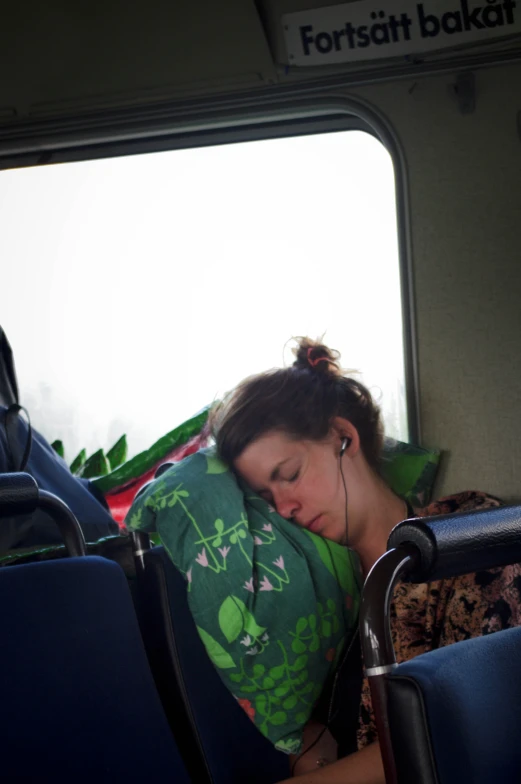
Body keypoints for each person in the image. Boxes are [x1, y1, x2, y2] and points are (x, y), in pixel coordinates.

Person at [210, 337, 521, 783]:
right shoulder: (313, 584)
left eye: (290, 475)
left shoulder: (464, 539)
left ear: (343, 438)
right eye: (266, 496)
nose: (283, 508)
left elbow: (467, 720)